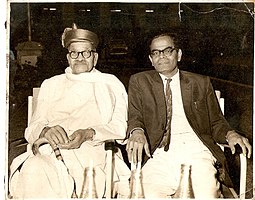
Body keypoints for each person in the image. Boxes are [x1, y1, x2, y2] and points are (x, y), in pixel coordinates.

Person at [9, 23, 130, 198]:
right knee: (33, 169)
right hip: (51, 152)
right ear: (68, 57)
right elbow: (32, 128)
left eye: (86, 52)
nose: (80, 57)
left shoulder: (111, 83)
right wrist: (45, 131)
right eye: (74, 52)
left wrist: (88, 133)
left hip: (92, 154)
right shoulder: (51, 84)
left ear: (94, 57)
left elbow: (120, 128)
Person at [126, 32, 252, 198]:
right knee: (146, 194)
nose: (161, 56)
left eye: (167, 51)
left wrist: (230, 133)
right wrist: (136, 131)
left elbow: (216, 122)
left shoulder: (200, 82)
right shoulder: (139, 81)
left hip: (196, 153)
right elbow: (135, 116)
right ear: (151, 59)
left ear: (178, 55)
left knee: (205, 194)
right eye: (156, 52)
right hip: (158, 154)